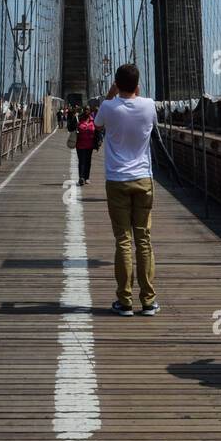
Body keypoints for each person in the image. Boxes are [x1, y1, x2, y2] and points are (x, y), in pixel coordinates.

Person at [94, 64, 159, 317]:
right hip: (143, 180)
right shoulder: (149, 105)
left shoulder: (108, 107)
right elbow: (153, 124)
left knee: (123, 240)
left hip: (117, 180)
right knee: (143, 239)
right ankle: (148, 301)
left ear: (117, 84)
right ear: (138, 84)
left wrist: (113, 93)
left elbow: (98, 125)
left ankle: (124, 302)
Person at [75, 106, 97, 185]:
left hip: (90, 145)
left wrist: (98, 141)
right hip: (80, 145)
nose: (86, 111)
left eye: (88, 109)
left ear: (90, 111)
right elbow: (71, 128)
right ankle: (81, 178)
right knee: (81, 161)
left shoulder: (93, 120)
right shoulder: (78, 120)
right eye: (85, 109)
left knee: (88, 161)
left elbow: (98, 130)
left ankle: (87, 177)